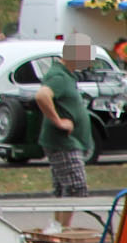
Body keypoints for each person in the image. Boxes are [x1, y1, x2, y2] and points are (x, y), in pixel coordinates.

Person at [33, 35, 95, 231]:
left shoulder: (67, 75)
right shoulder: (58, 76)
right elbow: (42, 95)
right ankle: (64, 230)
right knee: (77, 187)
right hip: (64, 142)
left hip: (70, 141)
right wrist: (58, 121)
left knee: (64, 188)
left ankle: (58, 229)